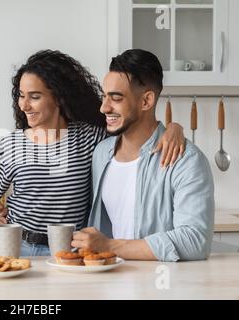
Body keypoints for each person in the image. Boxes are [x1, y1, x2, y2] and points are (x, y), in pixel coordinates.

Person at [0, 50, 185, 257]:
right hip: (16, 248)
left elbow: (136, 133)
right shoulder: (11, 145)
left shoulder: (92, 139)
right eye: (21, 95)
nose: (24, 105)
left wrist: (174, 128)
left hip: (69, 252)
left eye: (35, 97)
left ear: (59, 97)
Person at [71, 49, 214, 262]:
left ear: (146, 101)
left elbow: (195, 241)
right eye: (104, 96)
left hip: (161, 286)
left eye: (116, 98)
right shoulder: (101, 153)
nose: (104, 107)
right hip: (109, 282)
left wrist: (108, 246)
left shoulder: (186, 160)